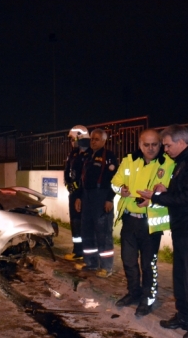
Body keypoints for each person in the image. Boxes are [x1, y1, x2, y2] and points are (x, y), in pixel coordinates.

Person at [137, 125, 188, 338]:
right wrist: (165, 192)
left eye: (167, 145)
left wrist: (156, 198)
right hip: (183, 227)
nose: (165, 149)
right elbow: (181, 193)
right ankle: (184, 316)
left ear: (181, 142)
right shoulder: (184, 161)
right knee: (180, 275)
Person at [111, 129, 175, 316]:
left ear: (160, 144)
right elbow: (115, 181)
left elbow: (171, 191)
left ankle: (148, 298)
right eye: (146, 144)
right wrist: (120, 189)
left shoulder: (168, 163)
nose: (150, 148)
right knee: (129, 261)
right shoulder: (129, 160)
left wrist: (154, 199)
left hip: (151, 222)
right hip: (130, 220)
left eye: (155, 144)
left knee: (149, 264)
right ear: (140, 144)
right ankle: (134, 292)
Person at [73, 128, 119, 278]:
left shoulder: (109, 157)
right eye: (92, 139)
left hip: (101, 196)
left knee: (103, 232)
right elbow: (82, 179)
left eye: (96, 139)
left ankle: (106, 267)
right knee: (87, 231)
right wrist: (79, 197)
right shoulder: (87, 157)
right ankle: (91, 263)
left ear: (104, 141)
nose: (93, 141)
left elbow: (115, 181)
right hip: (86, 196)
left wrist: (109, 199)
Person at [63, 125, 90, 260]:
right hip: (73, 193)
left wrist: (78, 189)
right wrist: (68, 183)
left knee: (81, 222)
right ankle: (77, 250)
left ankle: (84, 252)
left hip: (82, 195)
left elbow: (85, 176)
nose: (71, 142)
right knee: (74, 221)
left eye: (73, 139)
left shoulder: (88, 154)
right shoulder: (73, 153)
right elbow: (67, 170)